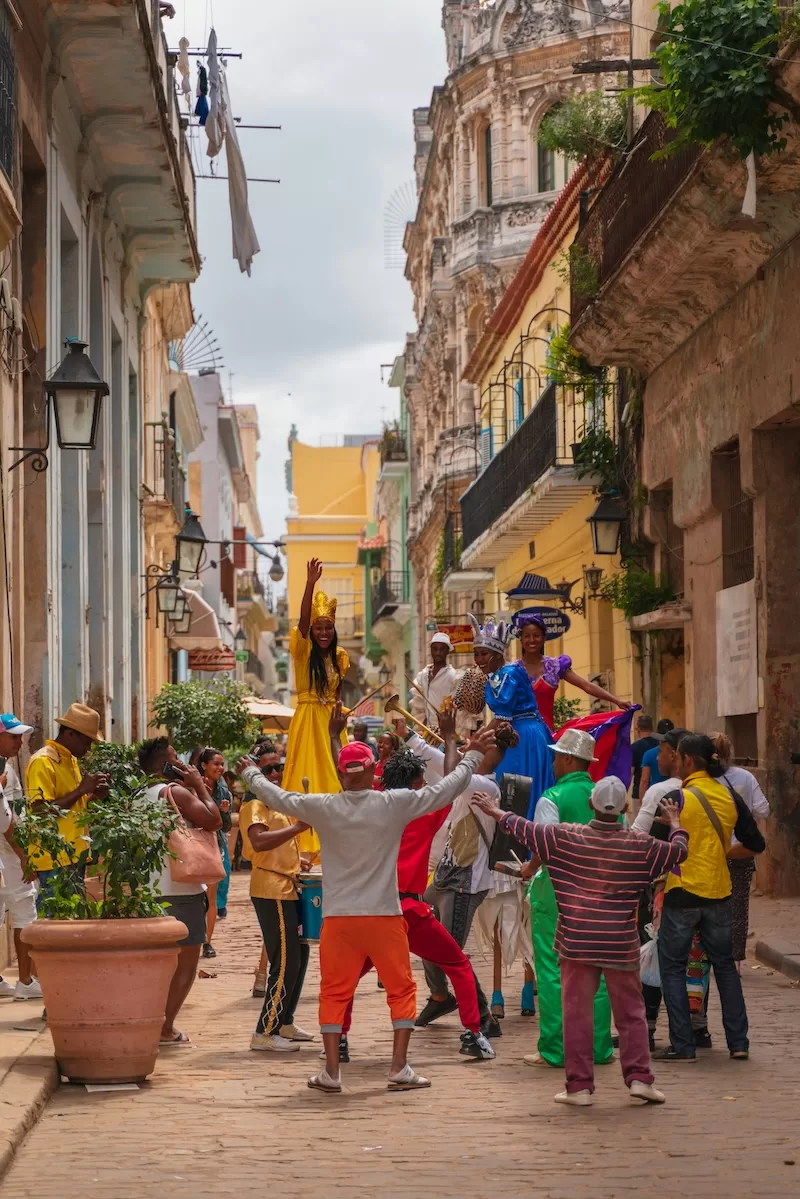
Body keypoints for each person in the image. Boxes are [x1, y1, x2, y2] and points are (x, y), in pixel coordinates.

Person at [237, 723, 496, 1095]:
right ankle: (399, 1067)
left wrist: (248, 771)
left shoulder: (323, 806)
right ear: (375, 769)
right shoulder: (394, 803)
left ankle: (331, 1072)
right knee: (401, 990)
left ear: (341, 774)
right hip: (385, 915)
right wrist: (471, 754)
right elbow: (446, 789)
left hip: (339, 919)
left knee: (334, 992)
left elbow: (276, 796)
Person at [474, 776, 689, 1106]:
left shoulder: (565, 837)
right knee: (631, 1013)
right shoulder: (640, 845)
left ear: (591, 804)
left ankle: (580, 1087)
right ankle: (639, 1078)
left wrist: (494, 810)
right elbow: (679, 852)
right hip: (619, 942)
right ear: (625, 808)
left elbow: (524, 829)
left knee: (576, 1013)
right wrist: (674, 822)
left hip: (576, 941)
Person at [333, 720, 495, 1063]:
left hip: (374, 912)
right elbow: (454, 781)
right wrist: (453, 739)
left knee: (345, 979)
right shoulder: (423, 809)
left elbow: (347, 777)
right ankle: (473, 1034)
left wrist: (336, 736)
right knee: (459, 966)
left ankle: (340, 1041)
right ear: (416, 784)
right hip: (409, 912)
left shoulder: (365, 806)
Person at [656, 733, 760, 1063]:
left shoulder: (676, 799)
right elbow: (756, 843)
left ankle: (683, 1046)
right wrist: (724, 852)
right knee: (725, 969)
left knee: (672, 969)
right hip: (719, 891)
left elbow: (655, 849)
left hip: (682, 892)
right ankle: (738, 1043)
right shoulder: (729, 795)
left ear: (687, 761)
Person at [518, 729, 615, 1071]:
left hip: (557, 894)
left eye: (558, 756)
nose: (554, 761)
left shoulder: (552, 797)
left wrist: (528, 869)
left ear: (570, 760)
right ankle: (600, 1046)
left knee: (552, 970)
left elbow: (545, 847)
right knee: (599, 972)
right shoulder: (607, 795)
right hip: (602, 895)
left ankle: (556, 1048)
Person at [415, 717, 505, 1041]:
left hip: (466, 883)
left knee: (450, 952)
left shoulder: (488, 787)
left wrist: (450, 736)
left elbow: (453, 775)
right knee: (422, 934)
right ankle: (440, 998)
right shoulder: (472, 778)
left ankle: (483, 1017)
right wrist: (409, 738)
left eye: (476, 745)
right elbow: (441, 762)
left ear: (489, 753)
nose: (468, 748)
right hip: (444, 878)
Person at [138, 737, 222, 1046]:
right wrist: (199, 784)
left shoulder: (137, 795)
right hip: (181, 888)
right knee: (185, 966)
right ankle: (164, 1027)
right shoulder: (174, 793)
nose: (184, 765)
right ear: (165, 766)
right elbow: (214, 820)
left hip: (148, 889)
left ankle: (150, 1020)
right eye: (176, 759)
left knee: (157, 965)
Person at [239, 771, 313, 1053]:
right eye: (267, 770)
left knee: (299, 955)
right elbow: (259, 843)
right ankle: (265, 1031)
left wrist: (297, 860)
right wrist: (297, 828)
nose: (274, 775)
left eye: (277, 769)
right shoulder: (255, 805)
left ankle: (284, 1021)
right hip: (272, 890)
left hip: (285, 886)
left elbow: (273, 847)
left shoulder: (273, 805)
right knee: (285, 961)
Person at [282, 558, 349, 858]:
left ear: (334, 630)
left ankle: (336, 839)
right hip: (309, 721)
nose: (323, 632)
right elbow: (302, 622)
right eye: (319, 627)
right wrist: (309, 584)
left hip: (332, 724)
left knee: (338, 777)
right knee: (307, 776)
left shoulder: (341, 657)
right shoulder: (302, 650)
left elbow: (339, 693)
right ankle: (303, 843)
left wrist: (341, 716)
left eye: (328, 627)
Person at [468, 613, 555, 812]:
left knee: (514, 790)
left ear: (498, 655)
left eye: (484, 654)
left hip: (521, 736)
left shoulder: (507, 675)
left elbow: (501, 718)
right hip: (519, 732)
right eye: (477, 654)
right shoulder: (501, 674)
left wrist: (476, 744)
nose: (479, 659)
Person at [25, 703, 109, 906]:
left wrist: (96, 796)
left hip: (73, 856)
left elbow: (73, 809)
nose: (88, 749)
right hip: (55, 858)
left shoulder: (70, 760)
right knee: (53, 924)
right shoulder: (43, 762)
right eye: (87, 742)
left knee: (69, 924)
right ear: (71, 734)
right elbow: (41, 811)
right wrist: (81, 789)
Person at [514, 612, 631, 734]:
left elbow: (586, 685)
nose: (532, 640)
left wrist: (617, 701)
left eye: (536, 635)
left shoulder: (554, 666)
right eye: (527, 636)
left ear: (544, 638)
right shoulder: (513, 670)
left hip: (545, 736)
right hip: (518, 736)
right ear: (521, 639)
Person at [709, 731, 769, 964]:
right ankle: (735, 961)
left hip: (711, 850)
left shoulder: (702, 779)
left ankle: (710, 954)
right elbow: (763, 809)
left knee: (711, 903)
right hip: (742, 850)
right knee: (739, 905)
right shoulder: (745, 777)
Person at [0, 715, 41, 1000]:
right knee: (25, 912)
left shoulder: (6, 769)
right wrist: (24, 855)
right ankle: (26, 981)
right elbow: (7, 821)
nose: (20, 741)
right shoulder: (4, 771)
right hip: (9, 851)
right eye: (13, 736)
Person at [196, 748, 232, 959]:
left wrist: (225, 814)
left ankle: (207, 943)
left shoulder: (223, 791)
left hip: (214, 847)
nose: (220, 768)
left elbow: (225, 828)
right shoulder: (192, 787)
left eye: (221, 764)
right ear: (204, 765)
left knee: (210, 896)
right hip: (193, 846)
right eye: (216, 764)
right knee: (195, 897)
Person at [410, 632, 461, 733]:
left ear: (448, 651)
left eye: (442, 649)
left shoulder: (454, 677)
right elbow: (419, 707)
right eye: (435, 649)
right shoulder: (422, 676)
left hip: (445, 733)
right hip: (427, 733)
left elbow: (458, 709)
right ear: (431, 650)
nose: (438, 652)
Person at [639, 718, 675, 794]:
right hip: (675, 793)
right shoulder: (677, 753)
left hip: (655, 794)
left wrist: (643, 803)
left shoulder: (648, 754)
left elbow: (644, 781)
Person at [631, 714, 659, 808]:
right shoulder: (660, 744)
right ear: (652, 728)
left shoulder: (634, 747)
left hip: (639, 793)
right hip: (659, 792)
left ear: (638, 729)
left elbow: (631, 772)